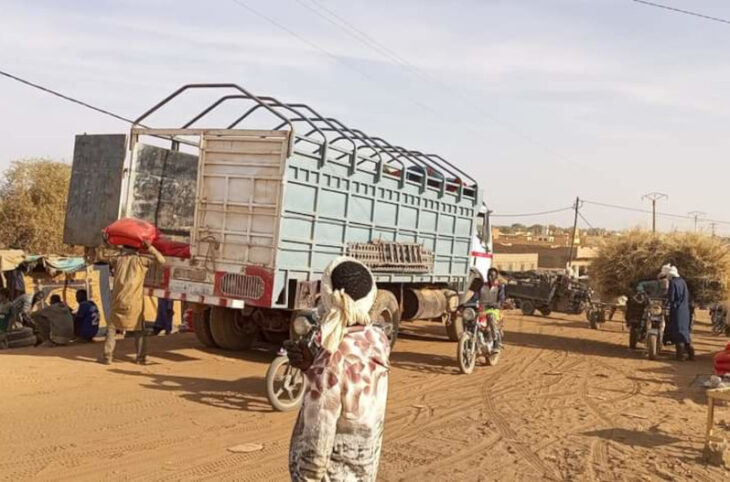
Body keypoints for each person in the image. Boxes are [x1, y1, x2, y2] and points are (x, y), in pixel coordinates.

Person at [286, 257, 390, 482]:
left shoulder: (332, 359)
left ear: (327, 295)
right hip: (364, 471)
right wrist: (310, 367)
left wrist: (318, 368)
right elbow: (351, 384)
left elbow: (317, 445)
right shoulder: (378, 340)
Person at [97, 241, 165, 365]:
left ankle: (107, 357)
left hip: (118, 300)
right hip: (134, 302)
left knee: (112, 329)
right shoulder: (141, 261)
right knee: (139, 330)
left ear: (124, 247)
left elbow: (100, 256)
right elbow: (161, 261)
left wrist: (103, 244)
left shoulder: (118, 260)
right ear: (137, 248)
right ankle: (141, 358)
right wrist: (149, 247)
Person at [664, 265, 694, 361]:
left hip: (677, 310)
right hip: (685, 310)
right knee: (685, 332)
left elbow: (671, 297)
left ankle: (680, 355)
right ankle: (691, 354)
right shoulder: (683, 282)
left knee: (677, 332)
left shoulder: (673, 283)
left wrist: (666, 302)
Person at [479, 267, 506, 352]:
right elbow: (475, 296)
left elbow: (501, 299)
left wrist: (497, 304)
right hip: (483, 310)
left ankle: (496, 342)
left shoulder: (499, 287)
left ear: (495, 277)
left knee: (490, 316)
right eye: (488, 275)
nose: (489, 277)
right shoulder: (483, 286)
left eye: (492, 275)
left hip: (495, 310)